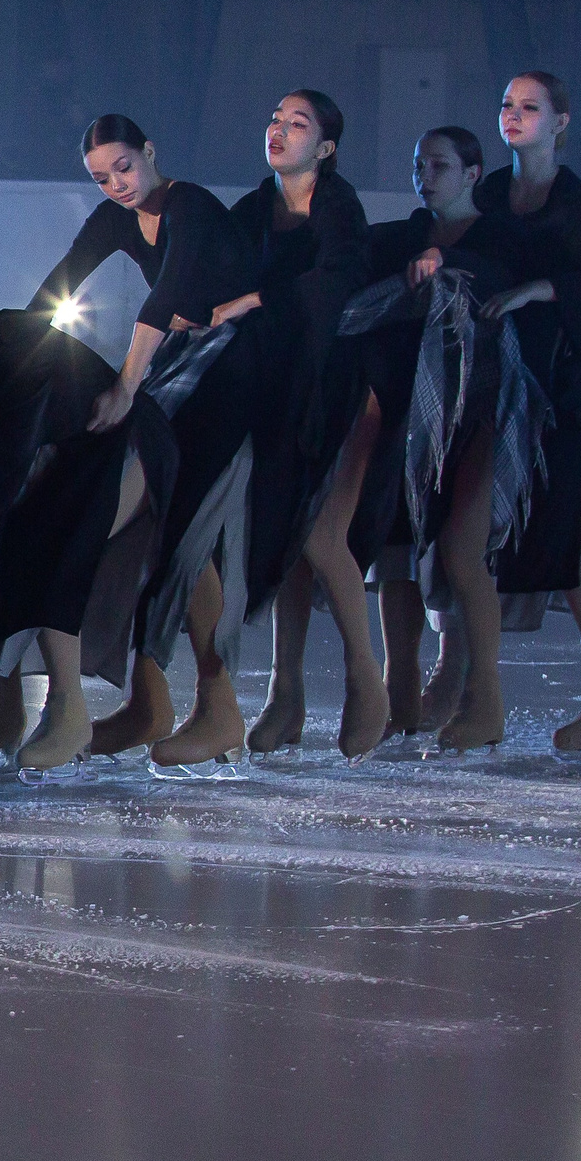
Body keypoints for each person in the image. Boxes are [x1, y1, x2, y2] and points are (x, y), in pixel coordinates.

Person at [49, 114, 270, 768]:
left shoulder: (190, 204)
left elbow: (168, 291)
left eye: (124, 166)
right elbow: (64, 275)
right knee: (149, 530)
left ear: (150, 152)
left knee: (186, 531)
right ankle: (150, 706)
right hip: (182, 369)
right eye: (99, 176)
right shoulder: (116, 219)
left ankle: (220, 711)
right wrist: (12, 341)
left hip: (234, 373)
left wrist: (124, 385)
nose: (115, 183)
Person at [422, 72, 581, 752]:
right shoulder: (487, 193)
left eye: (529, 107)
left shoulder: (575, 203)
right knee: (464, 538)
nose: (514, 115)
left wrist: (537, 289)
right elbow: (456, 245)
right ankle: (466, 684)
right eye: (507, 105)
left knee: (569, 543)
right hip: (491, 388)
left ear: (560, 121)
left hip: (564, 392)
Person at [0, 266, 173, 769]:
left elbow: (19, 442)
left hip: (124, 445)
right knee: (2, 547)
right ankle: (1, 710)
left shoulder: (21, 334)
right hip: (67, 461)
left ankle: (69, 710)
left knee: (45, 543)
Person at [224, 92, 386, 759]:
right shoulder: (256, 208)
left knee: (321, 534)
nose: (278, 131)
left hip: (344, 387)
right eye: (273, 119)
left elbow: (333, 291)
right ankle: (283, 697)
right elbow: (212, 264)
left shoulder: (340, 211)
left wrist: (259, 298)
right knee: (287, 534)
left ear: (325, 148)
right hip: (282, 390)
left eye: (296, 125)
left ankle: (366, 682)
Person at [350, 127, 507, 738]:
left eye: (439, 165)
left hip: (478, 416)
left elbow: (507, 273)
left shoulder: (496, 237)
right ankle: (399, 688)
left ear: (472, 173)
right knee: (396, 546)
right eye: (419, 165)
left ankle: (473, 686)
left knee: (464, 552)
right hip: (407, 416)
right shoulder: (404, 236)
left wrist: (454, 263)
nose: (425, 176)